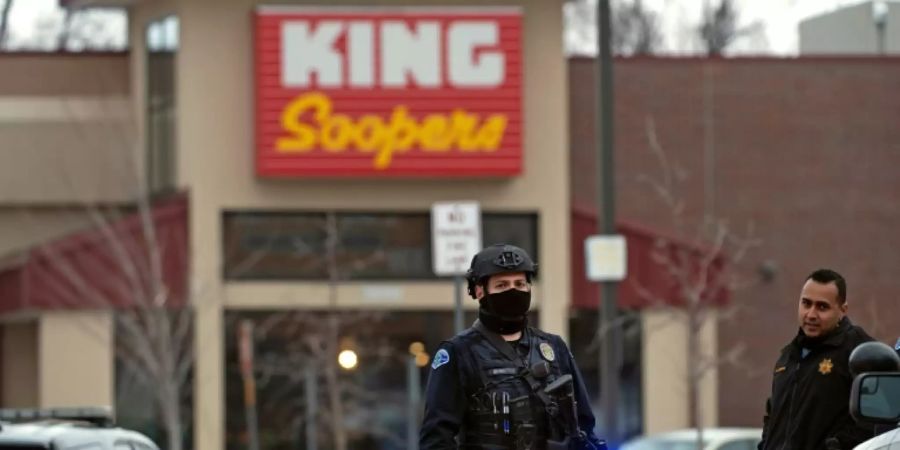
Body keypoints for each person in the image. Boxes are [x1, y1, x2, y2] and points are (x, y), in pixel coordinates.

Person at [420, 244, 606, 450]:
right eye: (502, 285)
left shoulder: (554, 347)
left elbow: (584, 425)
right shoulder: (458, 352)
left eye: (520, 284)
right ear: (481, 291)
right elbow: (436, 439)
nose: (513, 291)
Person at [758, 269, 875, 450]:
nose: (811, 314)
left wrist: (839, 445)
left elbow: (879, 416)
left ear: (843, 310)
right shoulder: (788, 356)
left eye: (822, 307)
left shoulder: (859, 351)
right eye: (806, 304)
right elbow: (772, 418)